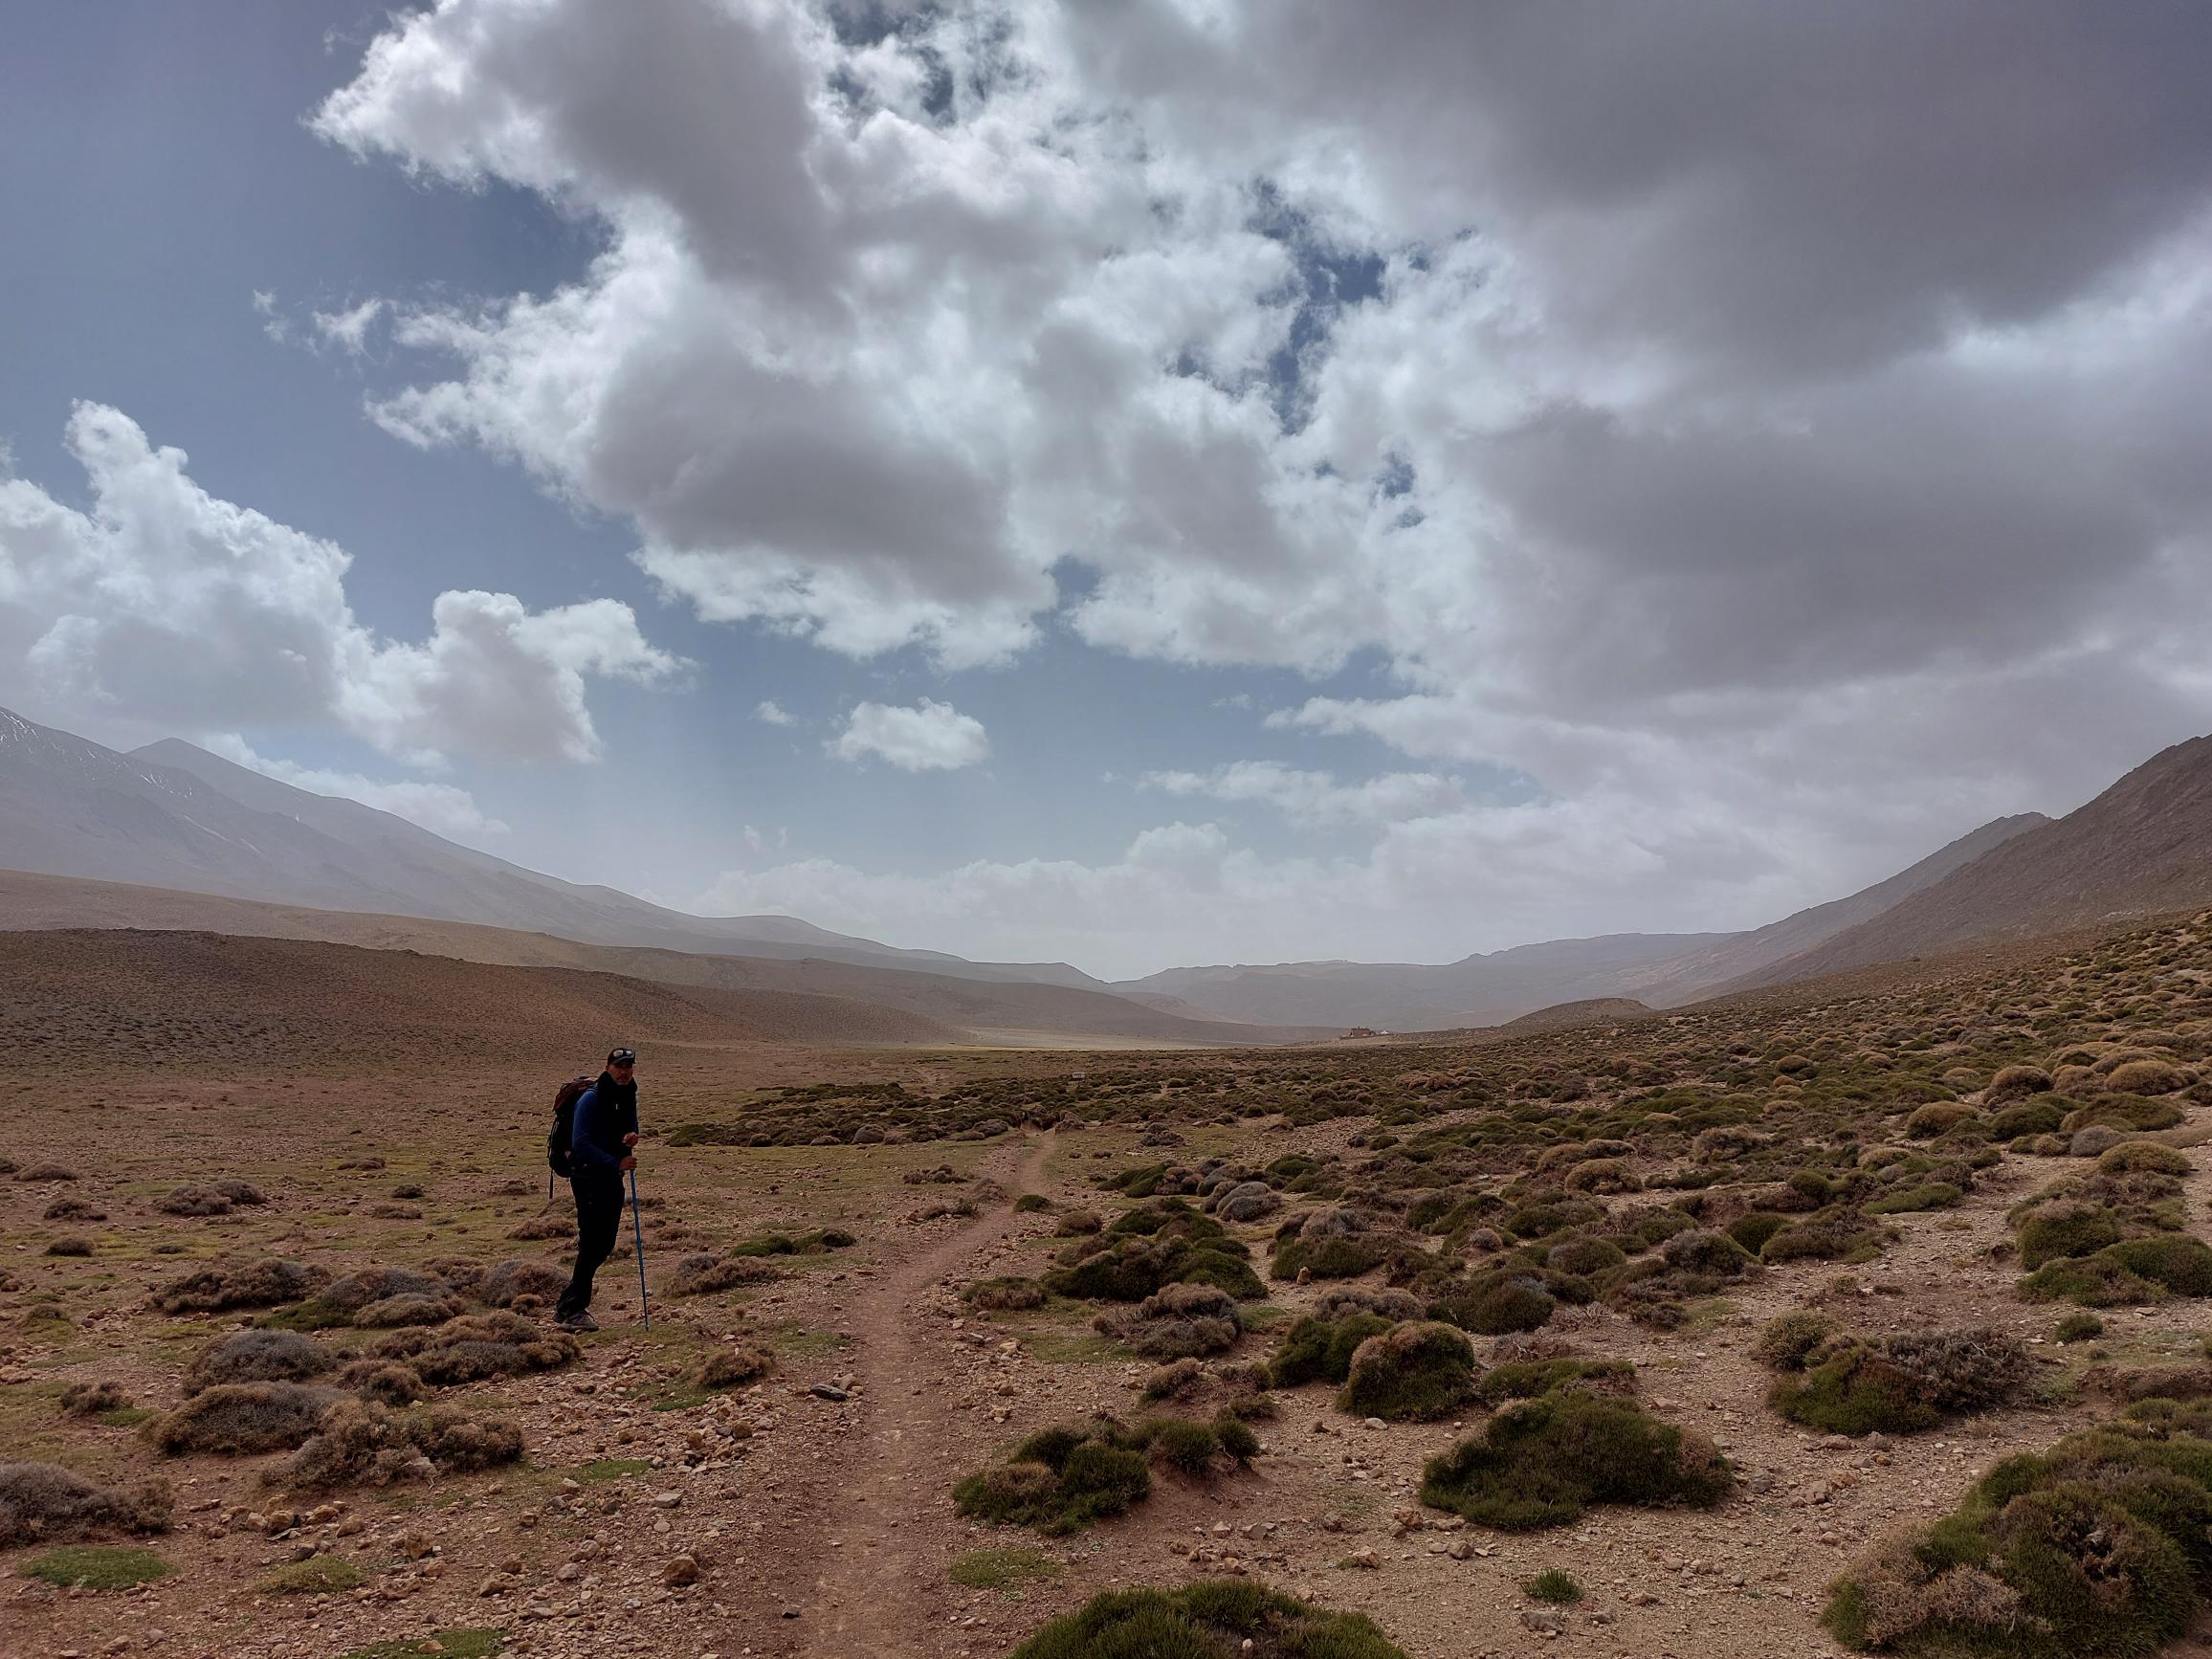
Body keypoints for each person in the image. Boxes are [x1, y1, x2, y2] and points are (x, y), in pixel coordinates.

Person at [555, 1046, 639, 1332]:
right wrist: (616, 1163)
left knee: (604, 1244)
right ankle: (574, 1310)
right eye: (619, 1066)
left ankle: (568, 1304)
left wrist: (631, 1136)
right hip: (588, 1177)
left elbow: (630, 1126)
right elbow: (580, 1144)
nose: (625, 1071)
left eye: (629, 1066)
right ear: (608, 1067)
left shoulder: (627, 1093)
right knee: (593, 1243)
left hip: (610, 1177)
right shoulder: (590, 1100)